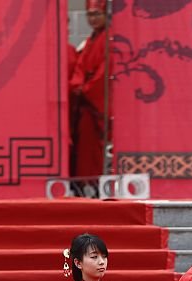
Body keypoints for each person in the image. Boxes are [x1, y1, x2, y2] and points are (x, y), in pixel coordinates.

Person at [69, 0, 110, 186]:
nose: (93, 19)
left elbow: (105, 72)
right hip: (85, 104)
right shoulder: (90, 41)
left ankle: (95, 186)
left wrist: (85, 89)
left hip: (95, 105)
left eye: (96, 14)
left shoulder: (110, 40)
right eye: (90, 15)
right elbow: (79, 68)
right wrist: (77, 85)